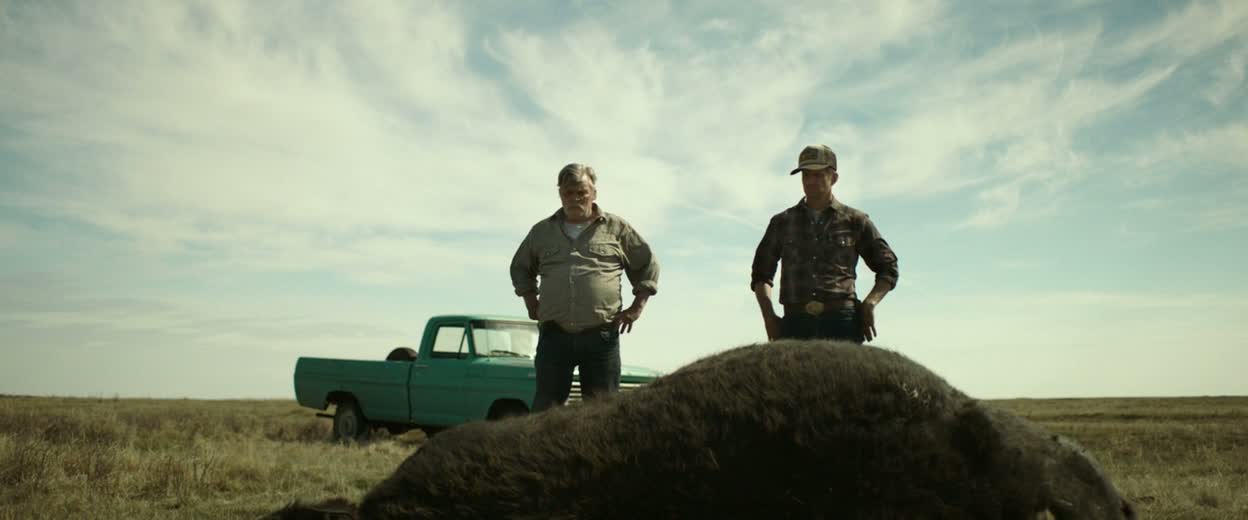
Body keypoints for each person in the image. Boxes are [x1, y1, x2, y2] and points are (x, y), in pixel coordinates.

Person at [510, 163, 660, 412]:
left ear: (594, 193)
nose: (575, 198)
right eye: (568, 192)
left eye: (581, 192)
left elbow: (647, 264)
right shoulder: (542, 232)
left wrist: (636, 308)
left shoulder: (616, 229)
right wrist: (530, 300)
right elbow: (519, 267)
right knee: (545, 414)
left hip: (601, 337)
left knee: (602, 414)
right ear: (560, 194)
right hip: (554, 337)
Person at [750, 144, 899, 343]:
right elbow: (761, 274)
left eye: (818, 175)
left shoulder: (855, 221)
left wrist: (870, 303)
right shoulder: (782, 222)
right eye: (806, 175)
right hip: (795, 323)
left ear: (833, 178)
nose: (811, 181)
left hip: (842, 323)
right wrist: (768, 317)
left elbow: (888, 267)